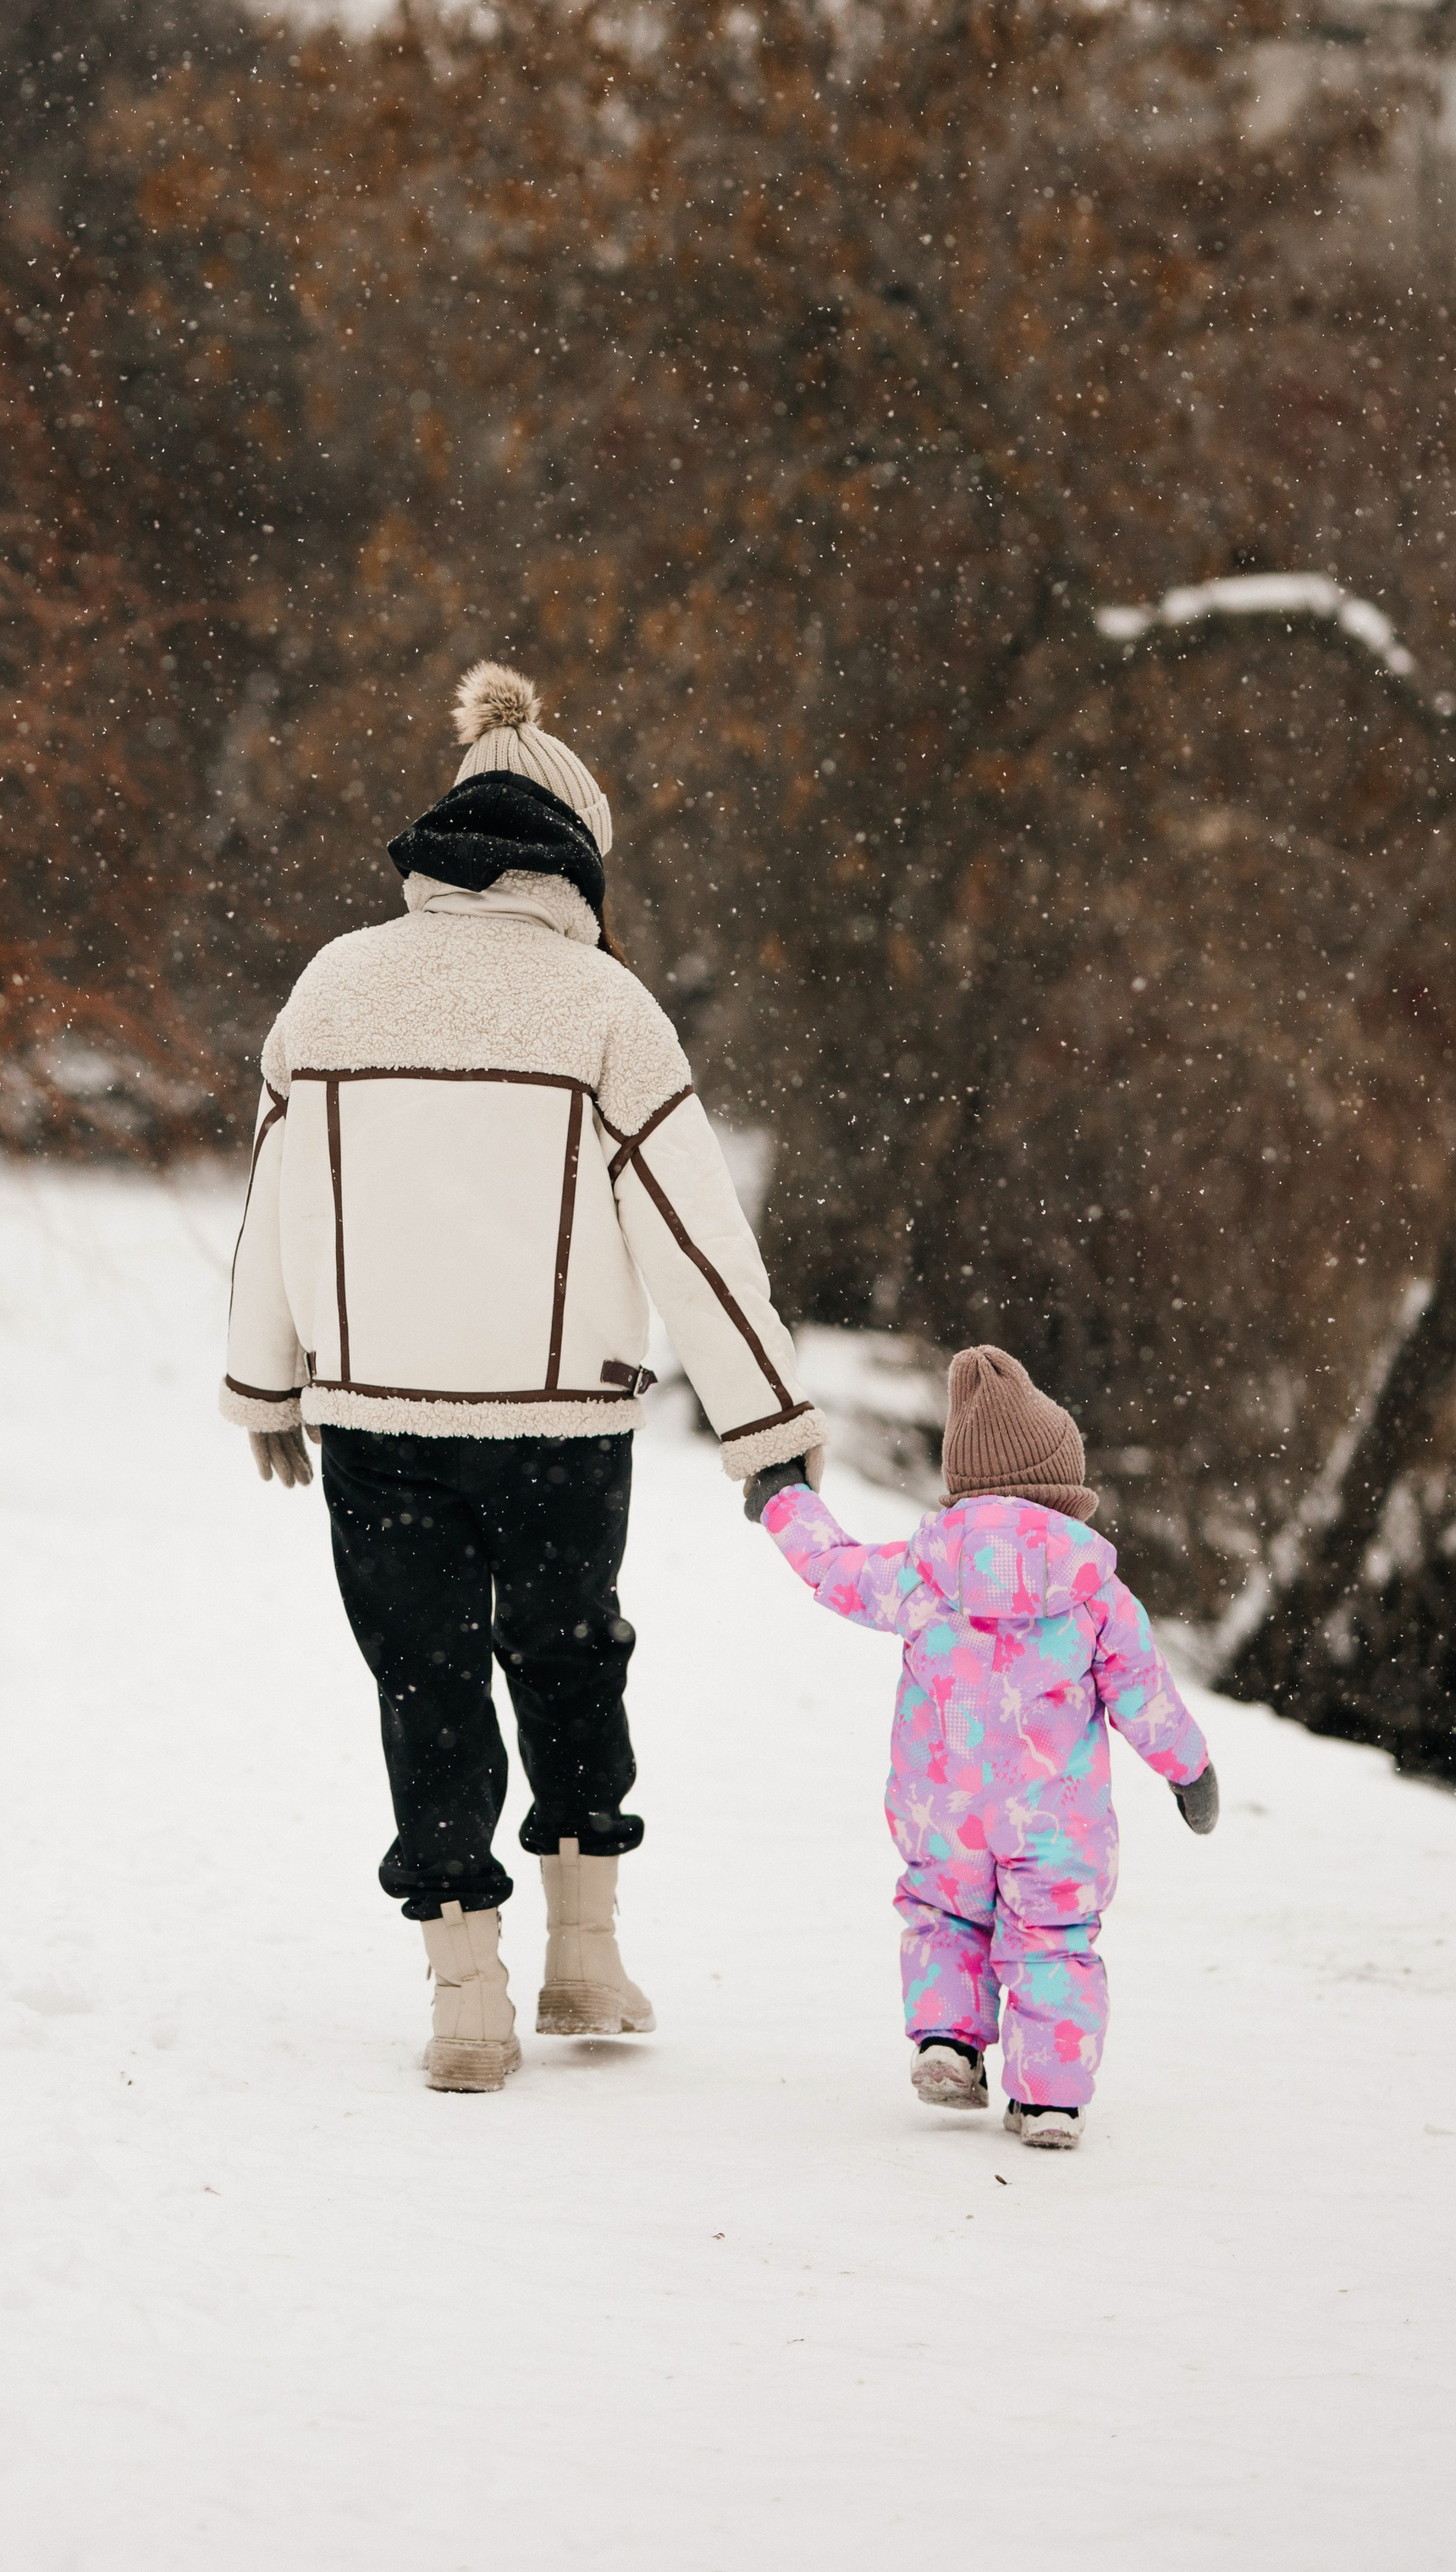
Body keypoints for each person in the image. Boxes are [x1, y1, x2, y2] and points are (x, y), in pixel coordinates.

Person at [221, 661, 826, 2090]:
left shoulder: (332, 986)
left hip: (374, 1417)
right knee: (566, 1657)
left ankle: (465, 1995)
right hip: (562, 1421)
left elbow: (273, 1202)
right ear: (575, 860)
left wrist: (264, 1385)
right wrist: (765, 1428)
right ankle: (585, 1954)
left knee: (424, 1681)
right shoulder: (606, 1009)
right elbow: (695, 1237)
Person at [748, 1342, 1221, 2150]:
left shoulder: (923, 1571)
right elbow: (1145, 1693)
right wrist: (1192, 1771)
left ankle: (948, 2042)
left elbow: (833, 1569)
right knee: (1053, 1941)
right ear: (1061, 1487)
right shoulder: (1095, 1591)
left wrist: (783, 1496)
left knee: (944, 1913)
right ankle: (1049, 2100)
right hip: (1055, 1820)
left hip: (946, 1806)